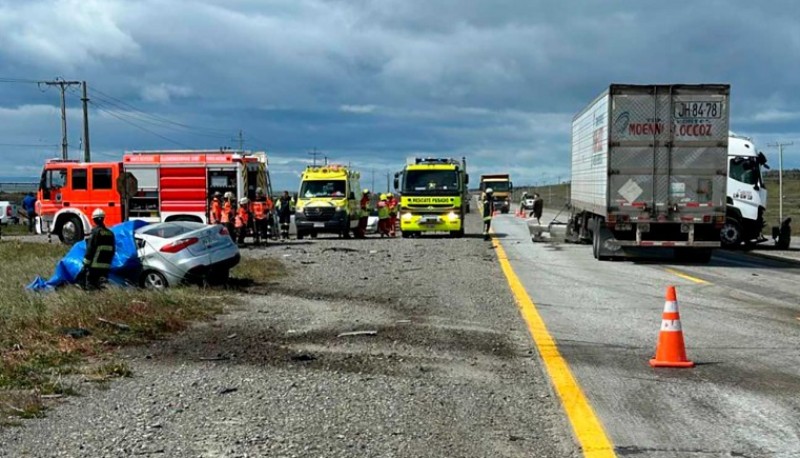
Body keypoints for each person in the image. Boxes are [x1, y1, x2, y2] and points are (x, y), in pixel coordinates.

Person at [81, 208, 115, 290]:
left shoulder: (95, 232)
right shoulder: (111, 233)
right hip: (106, 266)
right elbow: (113, 250)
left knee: (91, 286)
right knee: (102, 287)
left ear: (94, 220)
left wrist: (85, 263)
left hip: (94, 266)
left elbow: (90, 248)